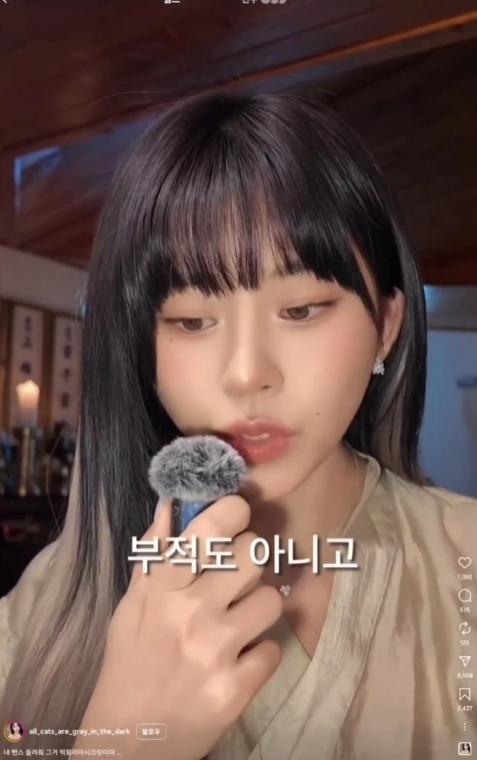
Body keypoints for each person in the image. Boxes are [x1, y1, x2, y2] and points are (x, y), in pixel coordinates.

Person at [0, 89, 476, 760]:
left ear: (386, 326)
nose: (247, 374)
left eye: (302, 310)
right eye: (192, 321)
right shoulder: (47, 605)